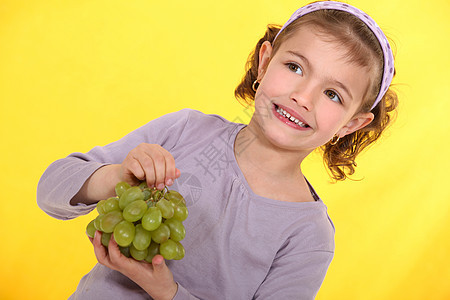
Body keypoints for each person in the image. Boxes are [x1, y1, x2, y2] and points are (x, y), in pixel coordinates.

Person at [37, 1, 398, 299]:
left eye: (333, 94)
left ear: (351, 124)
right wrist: (115, 176)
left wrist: (168, 292)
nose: (302, 97)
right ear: (264, 62)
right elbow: (49, 189)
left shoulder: (308, 236)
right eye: (294, 67)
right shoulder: (185, 130)